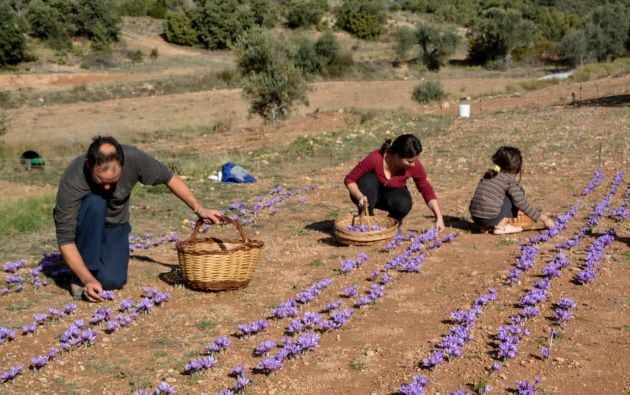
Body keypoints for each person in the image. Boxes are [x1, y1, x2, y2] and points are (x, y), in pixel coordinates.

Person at [54, 136, 222, 302]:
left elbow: (168, 177)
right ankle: (81, 275)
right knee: (95, 201)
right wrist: (87, 279)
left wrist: (199, 208)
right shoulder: (73, 178)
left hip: (115, 225)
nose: (107, 187)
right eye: (101, 181)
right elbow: (65, 239)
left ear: (122, 163)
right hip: (86, 226)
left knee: (113, 281)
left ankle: (92, 270)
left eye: (113, 182)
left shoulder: (133, 158)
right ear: (89, 165)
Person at [344, 134, 444, 232]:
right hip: (367, 196)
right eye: (409, 161)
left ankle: (391, 225)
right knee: (367, 181)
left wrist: (439, 217)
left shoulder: (413, 166)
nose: (413, 164)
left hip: (390, 197)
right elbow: (349, 180)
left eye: (415, 160)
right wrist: (360, 196)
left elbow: (426, 190)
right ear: (396, 155)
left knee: (403, 203)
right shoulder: (376, 158)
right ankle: (367, 222)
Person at [469, 146, 555, 235]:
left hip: (476, 218)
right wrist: (544, 219)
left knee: (493, 197)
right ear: (516, 166)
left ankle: (485, 227)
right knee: (516, 194)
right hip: (491, 218)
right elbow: (521, 204)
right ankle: (501, 227)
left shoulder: (489, 175)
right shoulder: (509, 180)